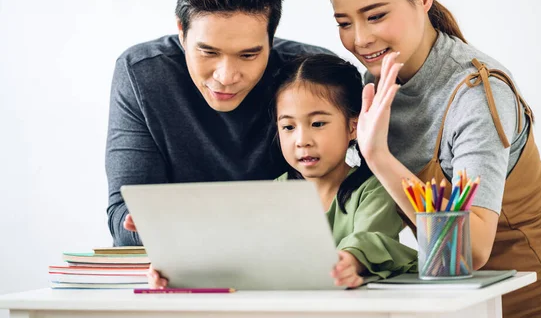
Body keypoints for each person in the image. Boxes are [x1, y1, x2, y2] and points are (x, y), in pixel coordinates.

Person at [325, 0, 541, 317]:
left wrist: (378, 155)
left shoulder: (476, 94)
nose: (360, 39)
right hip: (471, 304)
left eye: (376, 16)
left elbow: (471, 248)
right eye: (344, 22)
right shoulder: (376, 84)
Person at [106, 0, 330, 246]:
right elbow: (123, 216)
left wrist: (179, 224)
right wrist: (141, 226)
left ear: (271, 39)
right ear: (182, 33)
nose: (226, 76)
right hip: (180, 275)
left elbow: (340, 201)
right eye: (207, 52)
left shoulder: (312, 75)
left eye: (249, 55)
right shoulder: (142, 74)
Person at [148, 54, 417, 289]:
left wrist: (352, 260)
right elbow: (237, 251)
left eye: (318, 123)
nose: (302, 140)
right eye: (288, 127)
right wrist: (177, 265)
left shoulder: (373, 189)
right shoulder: (273, 193)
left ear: (352, 127)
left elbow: (372, 240)